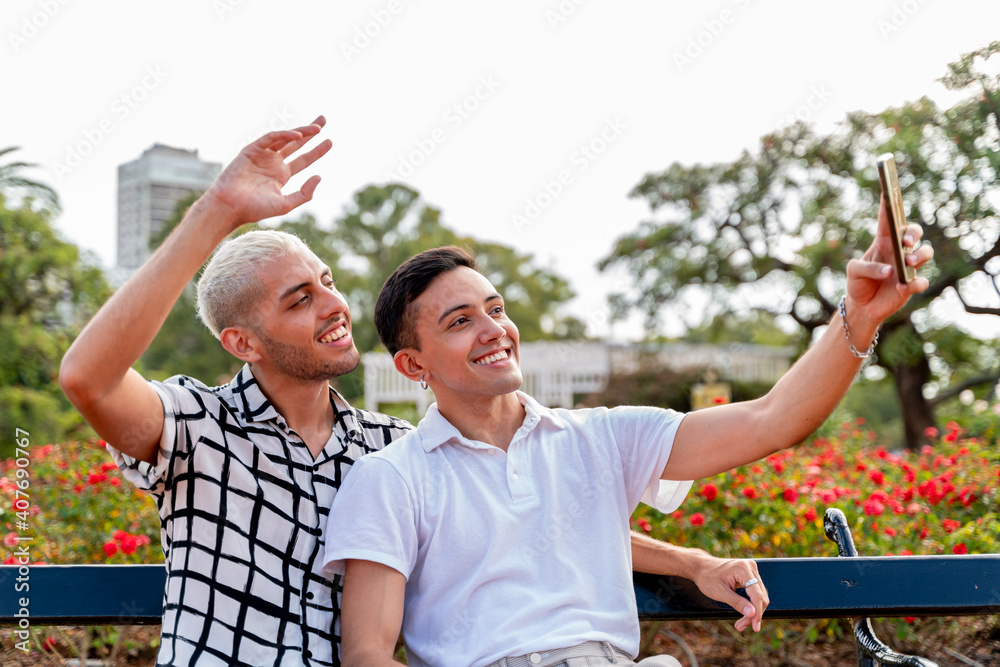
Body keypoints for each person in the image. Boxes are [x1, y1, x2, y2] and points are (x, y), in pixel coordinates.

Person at [59, 119, 768, 667]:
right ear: (244, 342)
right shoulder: (196, 425)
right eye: (301, 299)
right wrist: (217, 209)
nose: (333, 305)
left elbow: (542, 519)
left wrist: (691, 562)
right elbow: (88, 378)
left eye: (329, 281)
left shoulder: (388, 449)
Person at [323, 204, 933, 667]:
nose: (493, 330)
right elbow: (368, 654)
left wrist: (862, 315)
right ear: (413, 366)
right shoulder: (391, 478)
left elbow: (771, 422)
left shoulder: (601, 439)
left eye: (496, 309)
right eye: (461, 322)